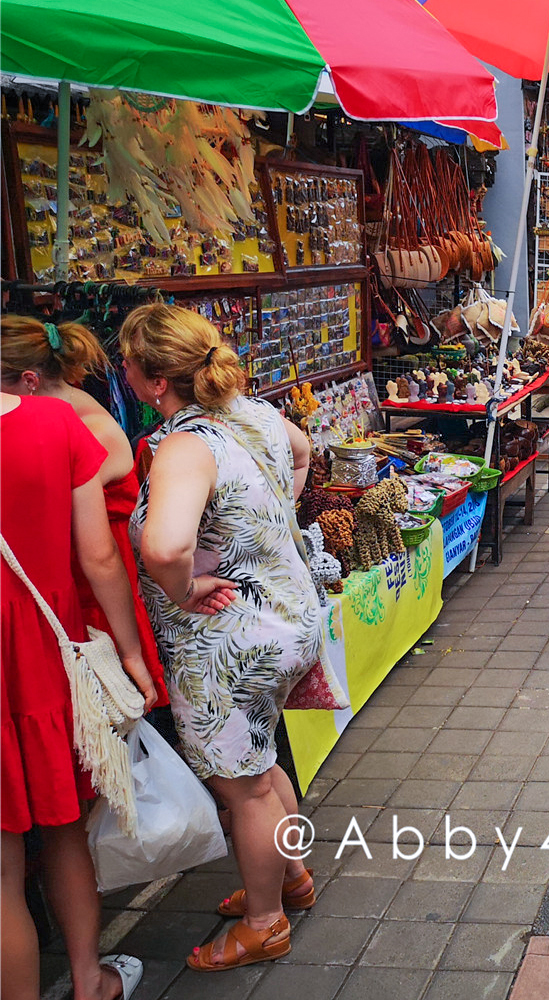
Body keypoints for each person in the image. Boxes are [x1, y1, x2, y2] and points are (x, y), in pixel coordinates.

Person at [122, 303, 323, 969]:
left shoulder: (183, 444)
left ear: (157, 382)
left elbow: (166, 543)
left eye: (126, 362)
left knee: (244, 786)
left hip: (230, 641)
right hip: (283, 614)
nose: (120, 372)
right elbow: (301, 453)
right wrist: (265, 527)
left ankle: (266, 921)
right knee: (261, 767)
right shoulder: (251, 412)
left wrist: (181, 587)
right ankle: (288, 877)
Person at [2, 385, 154, 1000]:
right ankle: (90, 980)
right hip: (37, 649)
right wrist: (132, 654)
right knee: (62, 825)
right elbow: (98, 557)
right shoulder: (51, 421)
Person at [0, 317, 169, 708]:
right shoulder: (69, 412)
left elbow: (94, 551)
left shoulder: (87, 428)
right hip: (84, 582)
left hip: (99, 592)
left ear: (29, 382)